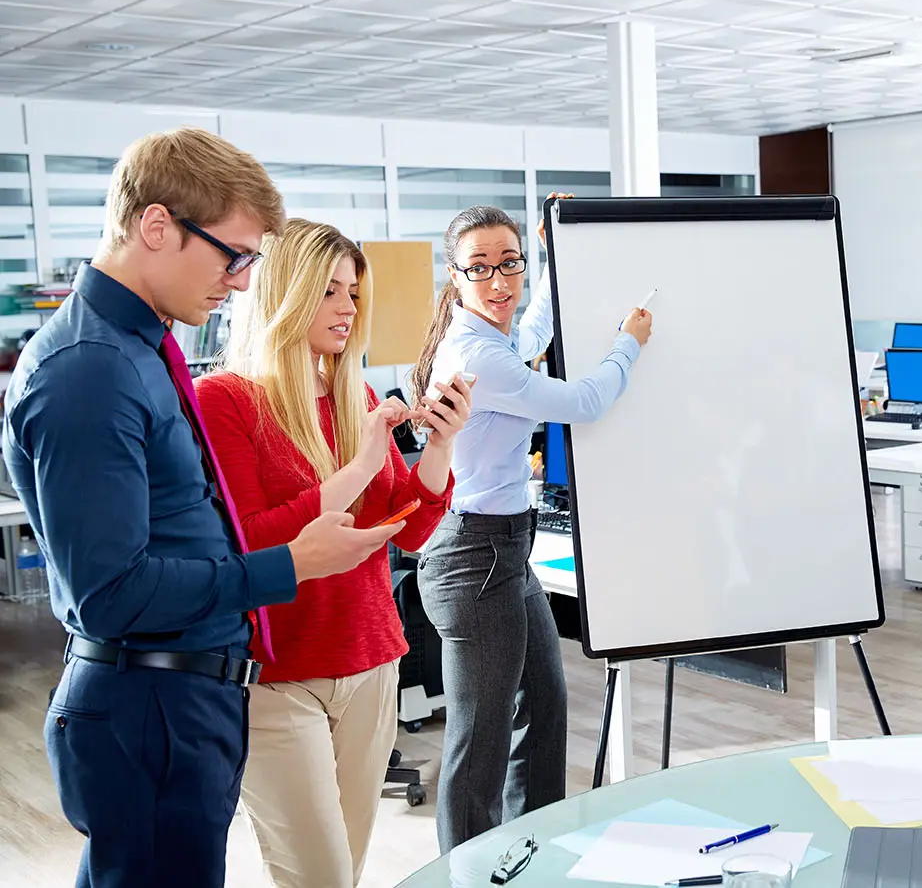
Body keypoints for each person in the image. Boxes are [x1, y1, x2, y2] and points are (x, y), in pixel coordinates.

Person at [2, 128, 401, 887]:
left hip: (188, 696)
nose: (244, 282)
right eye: (234, 255)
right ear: (157, 226)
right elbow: (109, 592)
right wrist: (287, 565)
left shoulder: (142, 347)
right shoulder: (90, 370)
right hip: (149, 700)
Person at [195, 219, 472, 887]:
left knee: (341, 872)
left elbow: (407, 530)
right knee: (316, 874)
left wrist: (440, 444)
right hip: (276, 675)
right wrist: (359, 468)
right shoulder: (224, 400)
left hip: (371, 661)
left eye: (353, 291)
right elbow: (254, 540)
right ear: (285, 292)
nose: (349, 306)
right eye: (330, 290)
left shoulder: (357, 395)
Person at [408, 201, 653, 850]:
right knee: (479, 746)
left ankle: (529, 855)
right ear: (455, 275)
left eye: (509, 263)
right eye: (480, 268)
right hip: (475, 557)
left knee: (542, 711)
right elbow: (586, 401)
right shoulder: (477, 356)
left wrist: (548, 259)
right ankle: (468, 872)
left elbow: (533, 331)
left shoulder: (493, 339)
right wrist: (630, 341)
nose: (499, 281)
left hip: (504, 551)